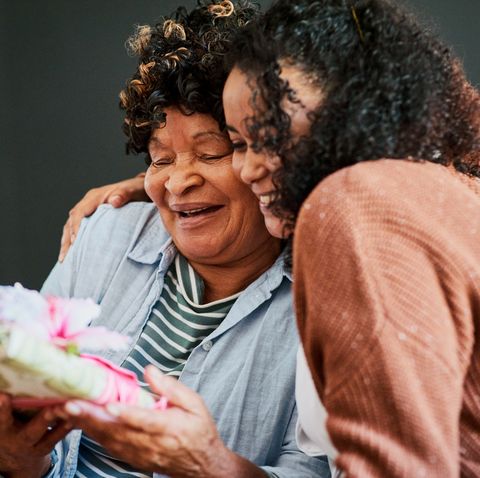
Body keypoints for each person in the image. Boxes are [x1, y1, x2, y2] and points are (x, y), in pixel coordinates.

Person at [0, 2, 331, 477]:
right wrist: (21, 458)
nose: (177, 183)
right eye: (160, 159)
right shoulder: (105, 235)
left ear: (271, 157)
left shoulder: (322, 303)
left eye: (211, 151)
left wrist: (210, 466)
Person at [221, 0, 480, 476]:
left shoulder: (353, 205)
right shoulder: (445, 187)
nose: (249, 168)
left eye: (272, 134)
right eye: (238, 143)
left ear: (356, 113)